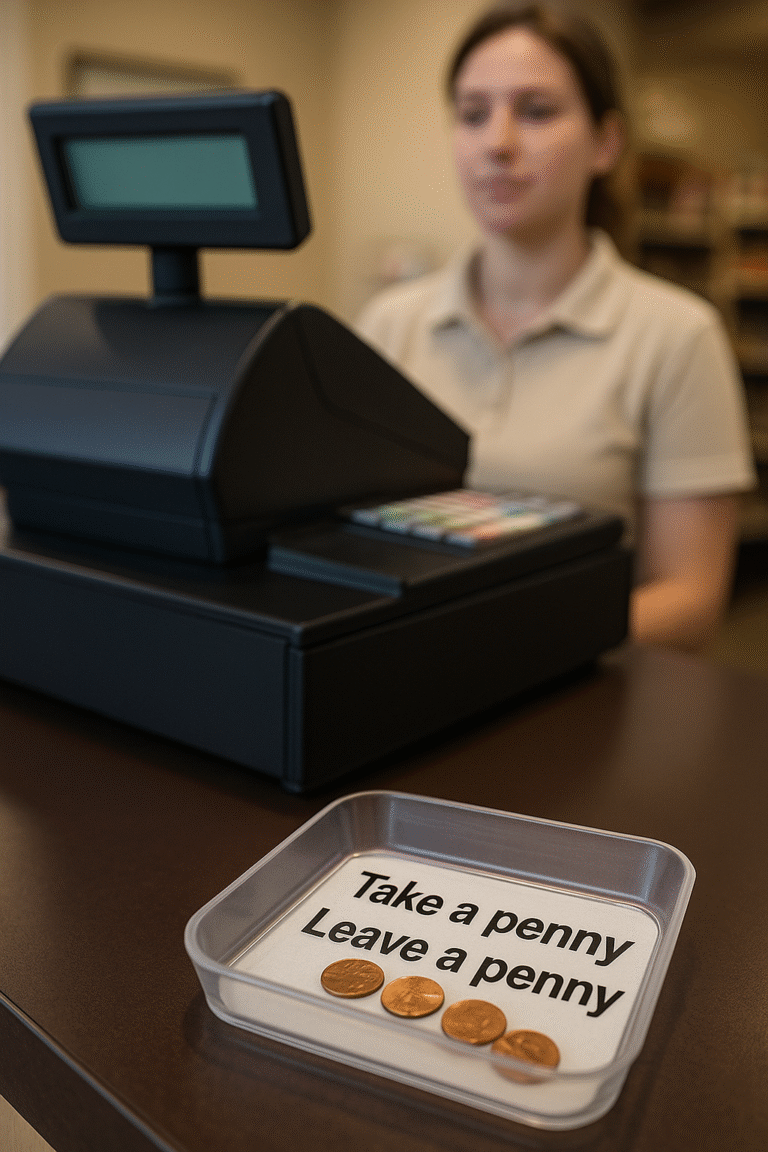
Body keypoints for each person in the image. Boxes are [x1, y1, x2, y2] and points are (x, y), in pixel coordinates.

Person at [357, 1, 756, 652]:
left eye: (536, 110)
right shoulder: (388, 326)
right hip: (407, 687)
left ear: (606, 142)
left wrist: (513, 648)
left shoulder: (677, 337)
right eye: (472, 113)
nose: (498, 142)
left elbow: (690, 599)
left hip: (583, 707)